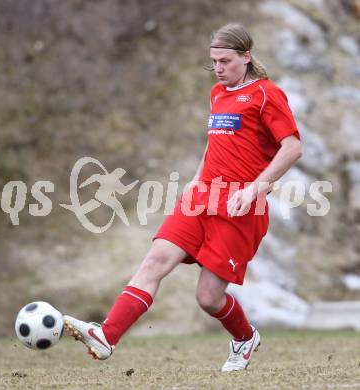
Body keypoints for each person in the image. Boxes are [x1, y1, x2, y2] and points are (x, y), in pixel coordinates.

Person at [64, 23, 302, 372]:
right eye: (214, 61)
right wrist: (194, 180)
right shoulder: (217, 94)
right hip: (202, 197)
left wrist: (255, 189)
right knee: (155, 261)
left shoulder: (266, 94)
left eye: (225, 60)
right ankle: (106, 337)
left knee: (208, 298)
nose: (218, 68)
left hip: (241, 207)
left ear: (246, 56)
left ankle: (245, 338)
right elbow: (215, 142)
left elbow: (293, 148)